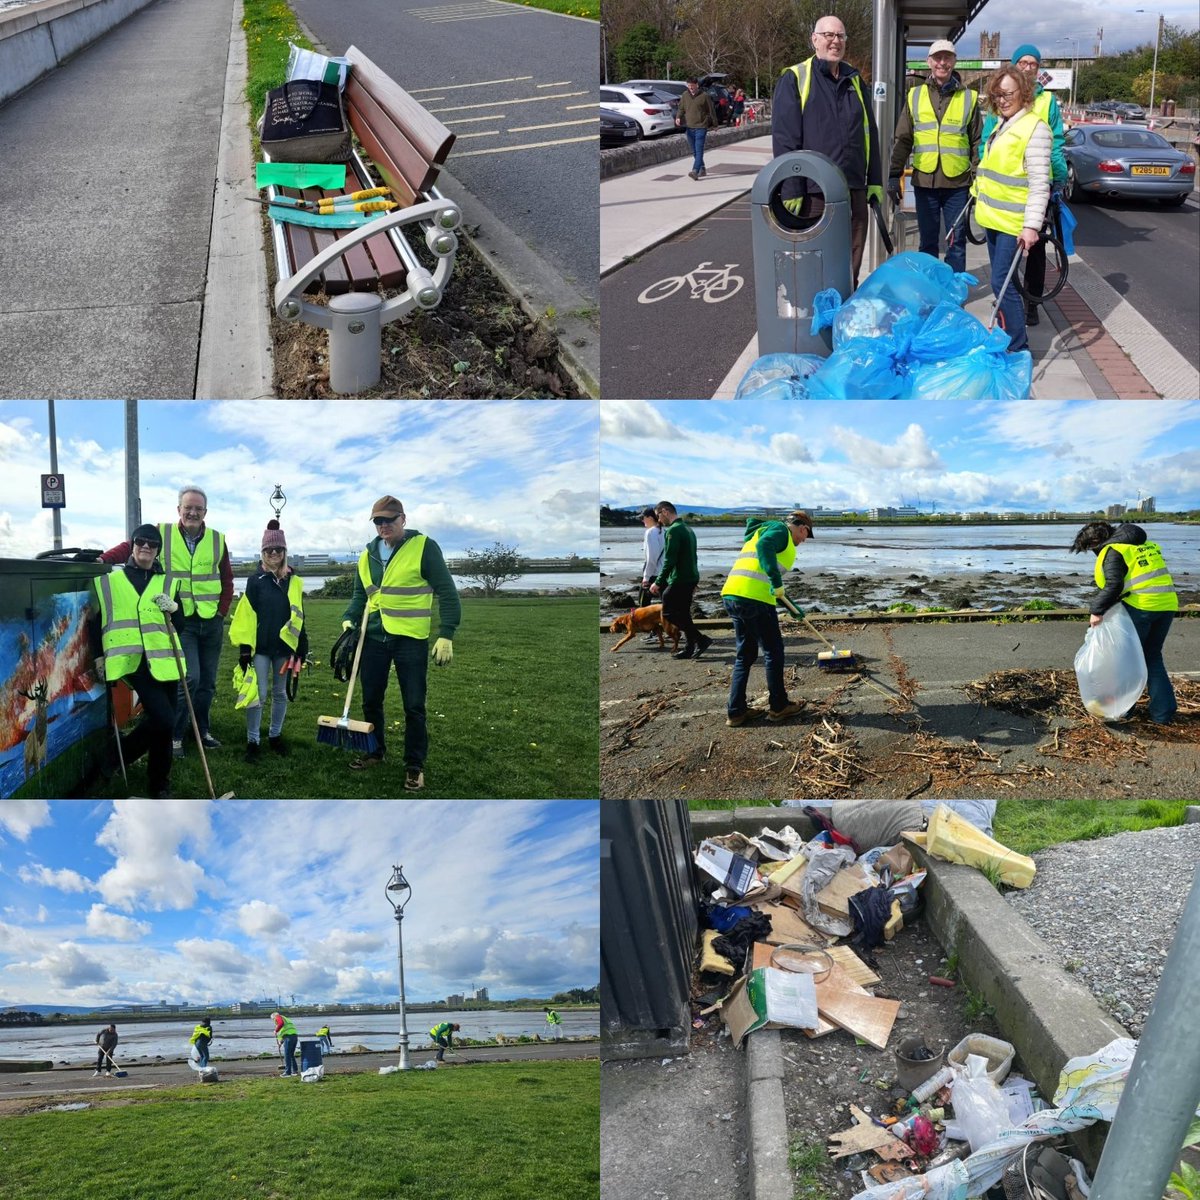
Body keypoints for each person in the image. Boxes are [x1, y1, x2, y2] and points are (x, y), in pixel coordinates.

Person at [100, 486, 233, 760]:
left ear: (205, 512)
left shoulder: (218, 540)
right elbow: (131, 544)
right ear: (179, 510)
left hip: (211, 621)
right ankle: (175, 734)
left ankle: (202, 731)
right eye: (188, 508)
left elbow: (227, 579)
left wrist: (221, 611)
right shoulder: (164, 533)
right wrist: (103, 559)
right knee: (190, 678)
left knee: (207, 683)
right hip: (179, 620)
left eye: (198, 508)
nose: (193, 512)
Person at [340, 496, 461, 790]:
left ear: (403, 519)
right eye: (378, 521)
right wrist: (349, 618)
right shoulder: (366, 556)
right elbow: (361, 596)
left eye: (389, 520)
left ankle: (414, 765)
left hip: (410, 638)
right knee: (371, 701)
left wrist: (446, 632)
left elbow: (447, 591)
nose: (384, 526)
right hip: (374, 638)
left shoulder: (424, 548)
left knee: (414, 705)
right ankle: (374, 751)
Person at [772, 15, 883, 287]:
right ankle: (818, 319)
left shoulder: (855, 80)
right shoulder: (795, 78)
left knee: (852, 258)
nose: (835, 41)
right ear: (815, 40)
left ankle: (845, 308)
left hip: (855, 187)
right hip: (814, 191)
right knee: (816, 261)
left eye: (841, 36)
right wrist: (791, 187)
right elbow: (786, 138)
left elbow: (870, 133)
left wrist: (875, 180)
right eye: (829, 35)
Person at [93, 524, 184, 799]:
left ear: (158, 551)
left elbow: (178, 624)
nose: (146, 547)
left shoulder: (167, 582)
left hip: (164, 659)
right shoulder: (112, 581)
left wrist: (174, 608)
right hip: (132, 661)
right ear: (132, 545)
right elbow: (96, 621)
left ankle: (158, 784)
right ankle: (118, 756)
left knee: (162, 725)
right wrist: (98, 655)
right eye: (141, 542)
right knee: (165, 720)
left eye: (152, 544)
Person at [973, 65, 1050, 353]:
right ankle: (1008, 337)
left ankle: (1018, 346)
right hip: (993, 218)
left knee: (1001, 284)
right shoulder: (1002, 124)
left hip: (1013, 223)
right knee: (1001, 284)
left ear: (1024, 93)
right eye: (997, 94)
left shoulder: (1035, 129)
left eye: (1008, 94)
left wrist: (1031, 226)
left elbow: (1040, 183)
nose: (1003, 100)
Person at [1070, 520, 1178, 725]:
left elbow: (1114, 584)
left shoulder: (1113, 550)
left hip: (1142, 608)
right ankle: (1163, 713)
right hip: (1167, 605)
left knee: (1123, 659)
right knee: (1152, 657)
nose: (1093, 552)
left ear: (1096, 540)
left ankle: (1122, 710)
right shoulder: (1141, 545)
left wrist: (1096, 611)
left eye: (1090, 547)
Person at [888, 40, 981, 275]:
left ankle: (954, 292)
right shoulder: (914, 96)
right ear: (929, 62)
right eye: (937, 58)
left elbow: (977, 142)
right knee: (927, 243)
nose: (942, 62)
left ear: (954, 62)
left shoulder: (968, 98)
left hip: (958, 184)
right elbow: (903, 139)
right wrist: (893, 174)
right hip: (924, 182)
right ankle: (929, 290)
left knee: (956, 242)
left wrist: (978, 178)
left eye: (947, 58)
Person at [720, 511, 814, 726]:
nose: (804, 540)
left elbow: (771, 584)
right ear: (802, 528)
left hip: (734, 596)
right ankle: (779, 707)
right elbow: (766, 554)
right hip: (755, 601)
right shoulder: (781, 530)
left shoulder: (766, 531)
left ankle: (736, 712)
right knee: (773, 652)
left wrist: (792, 607)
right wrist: (775, 580)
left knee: (745, 655)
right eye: (806, 535)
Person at [229, 519, 308, 762]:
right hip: (260, 649)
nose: (273, 554)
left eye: (278, 550)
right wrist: (244, 650)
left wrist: (301, 647)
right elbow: (245, 617)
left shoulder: (294, 581)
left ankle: (275, 736)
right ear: (263, 553)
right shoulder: (255, 581)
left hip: (284, 648)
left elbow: (299, 615)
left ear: (285, 552)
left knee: (280, 693)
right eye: (268, 550)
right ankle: (253, 740)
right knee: (258, 694)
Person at [1003, 45, 1069, 328]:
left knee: (1037, 246)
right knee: (1006, 244)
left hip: (1037, 183)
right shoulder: (1003, 96)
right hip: (1008, 183)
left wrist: (1059, 175)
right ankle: (1005, 297)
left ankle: (1032, 303)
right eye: (1023, 61)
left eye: (1033, 63)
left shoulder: (1047, 102)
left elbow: (1056, 141)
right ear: (1015, 64)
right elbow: (989, 137)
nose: (1028, 67)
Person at [649, 502, 712, 660]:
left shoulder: (674, 530)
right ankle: (689, 648)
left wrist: (658, 581)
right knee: (684, 613)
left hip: (680, 578)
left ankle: (701, 639)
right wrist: (695, 578)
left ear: (665, 511)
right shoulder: (688, 529)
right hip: (690, 576)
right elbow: (693, 556)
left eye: (658, 515)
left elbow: (670, 560)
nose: (658, 519)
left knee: (668, 612)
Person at [676, 78, 718, 181]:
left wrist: (715, 124)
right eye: (689, 85)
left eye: (692, 85)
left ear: (697, 85)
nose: (690, 87)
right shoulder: (685, 95)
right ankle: (702, 168)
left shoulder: (704, 96)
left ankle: (695, 171)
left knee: (699, 150)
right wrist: (678, 117)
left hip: (701, 127)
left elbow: (711, 111)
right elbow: (681, 108)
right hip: (689, 127)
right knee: (694, 151)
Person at [639, 506, 665, 613]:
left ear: (650, 517)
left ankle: (652, 628)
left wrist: (646, 577)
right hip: (665, 572)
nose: (642, 521)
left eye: (642, 518)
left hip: (654, 573)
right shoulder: (664, 531)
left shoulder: (650, 532)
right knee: (666, 604)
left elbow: (651, 557)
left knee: (643, 605)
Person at [273, 1011, 299, 1077]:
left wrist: (276, 1030)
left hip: (288, 1038)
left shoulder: (278, 1017)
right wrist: (280, 1043)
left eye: (273, 1019)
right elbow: (284, 1031)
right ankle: (295, 1071)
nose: (274, 1021)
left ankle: (288, 1073)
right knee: (291, 1055)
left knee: (287, 1055)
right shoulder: (286, 1019)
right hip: (294, 1037)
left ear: (274, 1016)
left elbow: (281, 1024)